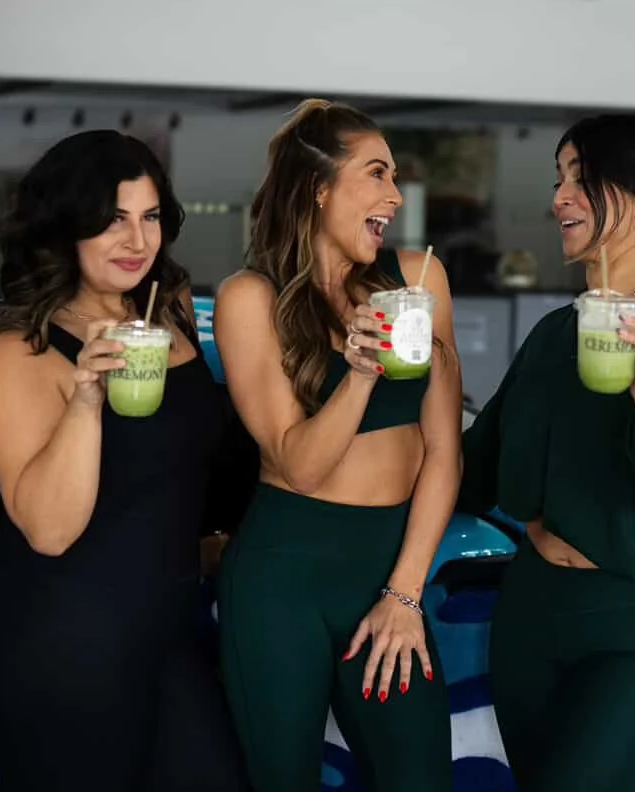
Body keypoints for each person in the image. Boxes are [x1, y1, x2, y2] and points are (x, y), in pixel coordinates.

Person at [458, 114, 635, 791]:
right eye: (559, 180)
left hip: (627, 633)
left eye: (581, 180)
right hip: (526, 622)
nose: (559, 198)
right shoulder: (557, 332)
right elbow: (475, 473)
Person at [0, 130, 251, 791]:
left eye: (150, 217)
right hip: (62, 640)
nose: (137, 240)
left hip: (165, 629)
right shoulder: (21, 352)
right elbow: (50, 528)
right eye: (113, 219)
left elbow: (178, 470)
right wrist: (87, 399)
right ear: (67, 225)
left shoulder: (169, 312)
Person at [212, 99, 461, 792]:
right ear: (318, 188)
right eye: (376, 173)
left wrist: (404, 594)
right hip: (280, 580)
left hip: (385, 575)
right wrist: (357, 373)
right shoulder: (249, 299)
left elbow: (444, 452)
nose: (394, 195)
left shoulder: (418, 281)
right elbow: (300, 464)